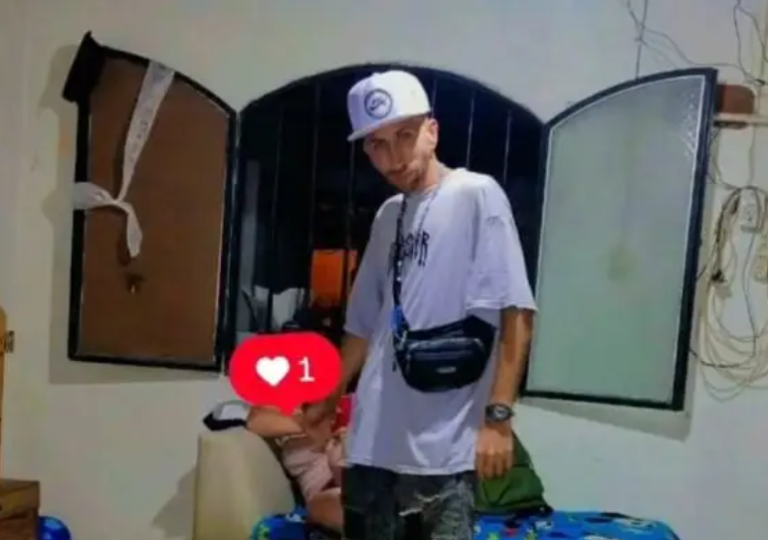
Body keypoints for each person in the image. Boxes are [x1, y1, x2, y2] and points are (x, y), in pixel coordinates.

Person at [303, 70, 536, 540]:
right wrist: (329, 397)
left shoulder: (476, 195)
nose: (393, 157)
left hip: (442, 454)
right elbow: (362, 325)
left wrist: (498, 418)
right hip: (370, 446)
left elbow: (515, 311)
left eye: (405, 136)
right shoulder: (389, 215)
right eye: (377, 144)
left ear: (432, 131)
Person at [246, 397, 350, 532]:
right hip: (326, 493)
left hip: (359, 481)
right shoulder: (277, 411)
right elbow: (255, 421)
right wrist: (312, 421)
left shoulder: (349, 403)